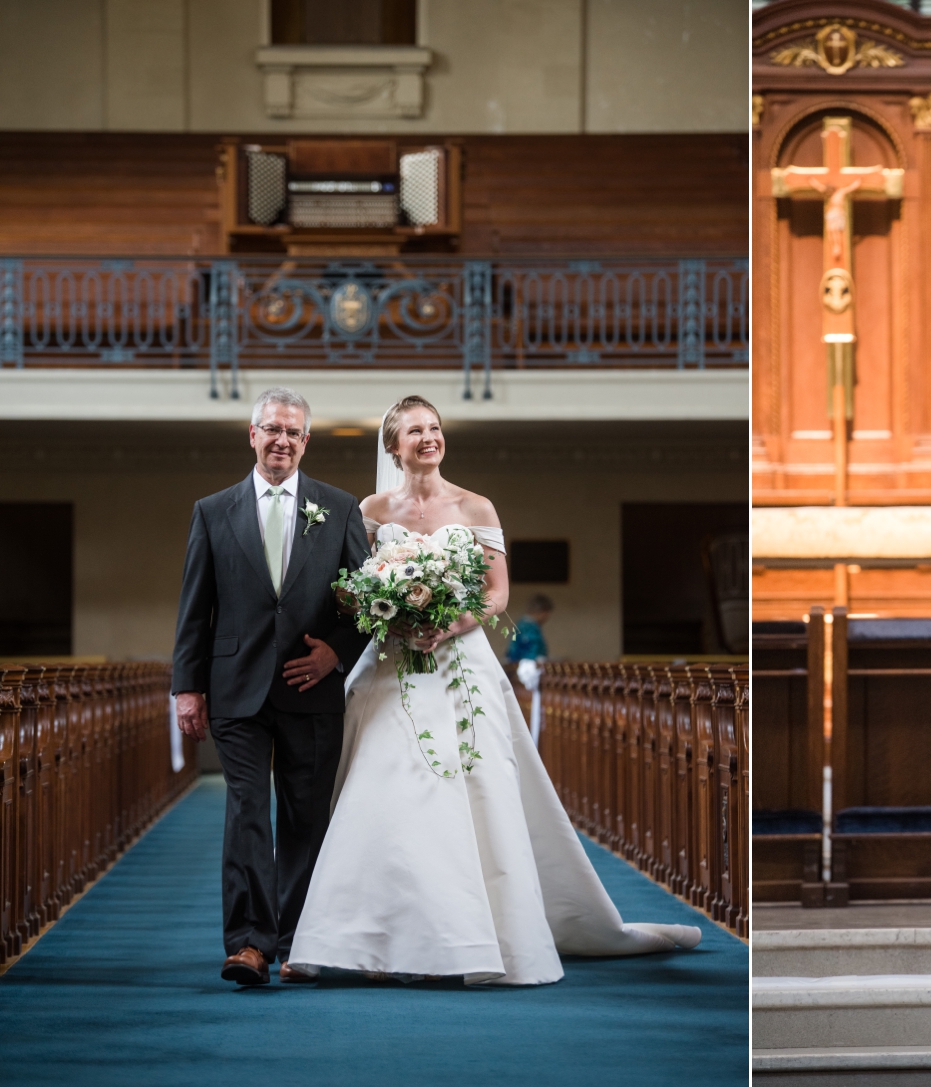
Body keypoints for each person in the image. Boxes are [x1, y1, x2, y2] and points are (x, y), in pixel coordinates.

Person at [287, 396, 699, 986]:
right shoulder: (371, 509)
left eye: (434, 429)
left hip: (460, 663)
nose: (428, 439)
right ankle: (365, 938)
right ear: (393, 447)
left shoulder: (475, 505)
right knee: (383, 789)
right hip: (395, 662)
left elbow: (497, 593)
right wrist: (395, 616)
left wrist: (447, 624)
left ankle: (478, 934)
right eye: (414, 432)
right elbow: (350, 590)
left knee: (473, 790)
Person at [172, 387, 372, 986]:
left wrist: (336, 652)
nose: (281, 440)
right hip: (235, 685)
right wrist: (187, 686)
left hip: (310, 688)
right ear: (252, 435)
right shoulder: (213, 510)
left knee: (306, 816)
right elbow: (194, 608)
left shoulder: (338, 508)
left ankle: (297, 938)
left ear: (305, 441)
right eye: (271, 429)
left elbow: (368, 604)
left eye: (293, 431)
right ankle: (249, 944)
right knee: (247, 811)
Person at [507, 594, 553, 663]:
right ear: (541, 612)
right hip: (525, 666)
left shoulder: (525, 625)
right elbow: (529, 653)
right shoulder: (527, 628)